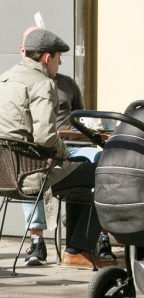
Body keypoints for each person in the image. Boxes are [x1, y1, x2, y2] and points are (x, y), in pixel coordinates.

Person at [0, 28, 106, 268]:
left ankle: (73, 248)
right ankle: (77, 251)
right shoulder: (42, 83)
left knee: (81, 171)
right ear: (47, 58)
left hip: (6, 174)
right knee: (100, 172)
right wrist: (65, 154)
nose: (59, 65)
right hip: (34, 176)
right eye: (59, 59)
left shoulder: (5, 79)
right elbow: (46, 137)